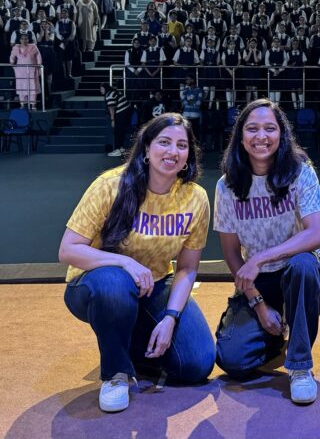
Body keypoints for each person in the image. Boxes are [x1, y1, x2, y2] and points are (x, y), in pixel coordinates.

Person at [58, 114, 215, 413]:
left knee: (196, 364)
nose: (173, 151)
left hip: (155, 284)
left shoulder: (196, 198)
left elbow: (187, 268)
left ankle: (127, 340)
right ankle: (116, 374)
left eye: (181, 145)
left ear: (188, 156)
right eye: (164, 142)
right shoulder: (110, 185)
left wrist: (170, 318)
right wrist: (123, 263)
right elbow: (68, 250)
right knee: (115, 283)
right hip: (97, 284)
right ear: (146, 148)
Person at [214, 99, 320, 404]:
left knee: (303, 265)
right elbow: (231, 253)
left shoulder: (300, 172)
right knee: (232, 360)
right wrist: (258, 305)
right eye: (252, 129)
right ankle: (277, 331)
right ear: (241, 137)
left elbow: (317, 233)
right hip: (259, 281)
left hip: (300, 269)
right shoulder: (227, 186)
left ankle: (300, 365)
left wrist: (260, 257)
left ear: (282, 133)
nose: (261, 136)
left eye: (270, 128)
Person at [10, 32, 42, 109]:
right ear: (20, 40)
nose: (24, 40)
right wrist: (12, 64)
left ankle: (33, 105)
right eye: (22, 39)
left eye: (26, 39)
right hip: (20, 71)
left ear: (28, 40)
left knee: (32, 86)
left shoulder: (33, 47)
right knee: (21, 86)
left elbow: (38, 56)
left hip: (32, 69)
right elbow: (12, 57)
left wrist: (38, 65)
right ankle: (22, 104)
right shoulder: (16, 47)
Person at [100, 83, 132, 157]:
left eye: (102, 89)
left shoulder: (109, 95)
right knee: (120, 130)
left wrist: (112, 120)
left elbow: (111, 108)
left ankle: (118, 149)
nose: (101, 91)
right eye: (100, 89)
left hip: (122, 112)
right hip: (126, 110)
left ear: (106, 89)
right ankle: (121, 148)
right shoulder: (113, 91)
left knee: (117, 131)